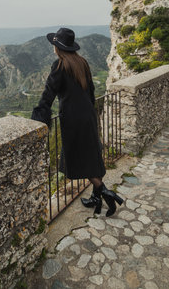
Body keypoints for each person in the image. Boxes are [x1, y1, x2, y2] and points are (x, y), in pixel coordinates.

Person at [31, 27, 123, 216]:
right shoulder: (82, 63)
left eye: (54, 45)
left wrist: (38, 120)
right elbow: (90, 92)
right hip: (88, 115)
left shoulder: (59, 66)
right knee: (89, 155)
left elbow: (48, 96)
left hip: (73, 120)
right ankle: (96, 198)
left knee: (80, 159)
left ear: (58, 48)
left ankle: (105, 191)